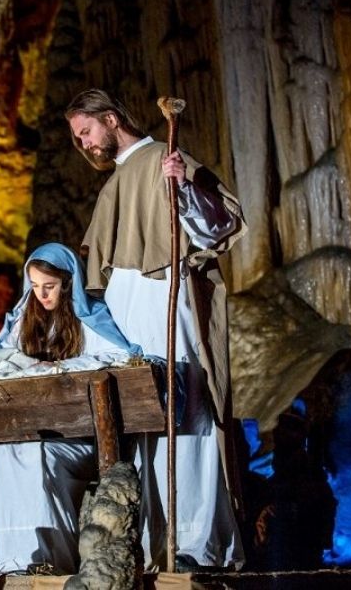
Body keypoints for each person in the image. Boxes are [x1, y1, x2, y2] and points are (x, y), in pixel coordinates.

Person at [65, 88, 248, 571]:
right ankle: (151, 545)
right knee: (139, 425)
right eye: (78, 139)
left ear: (110, 118)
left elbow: (216, 229)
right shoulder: (116, 181)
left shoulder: (164, 157)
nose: (84, 144)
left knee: (184, 418)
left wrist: (184, 187)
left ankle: (193, 543)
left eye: (86, 131)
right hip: (126, 314)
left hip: (166, 298)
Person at [0, 242, 141, 575]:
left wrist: (60, 368)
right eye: (35, 286)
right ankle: (16, 560)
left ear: (68, 281)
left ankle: (51, 560)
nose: (42, 295)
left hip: (79, 438)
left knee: (39, 454)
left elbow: (121, 356)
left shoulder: (89, 318)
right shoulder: (25, 321)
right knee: (7, 452)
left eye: (50, 286)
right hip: (32, 430)